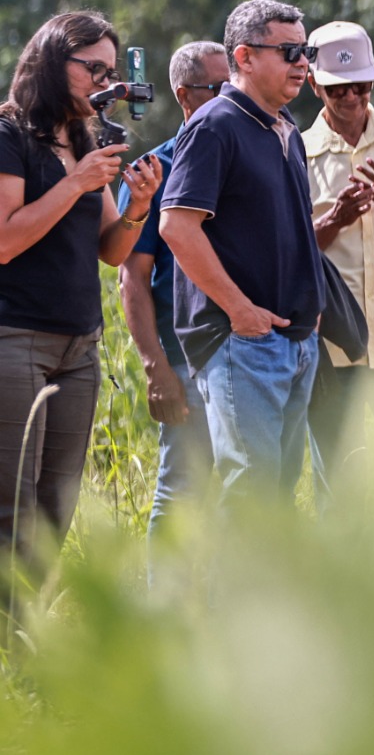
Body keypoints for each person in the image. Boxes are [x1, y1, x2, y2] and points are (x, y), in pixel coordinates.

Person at [0, 12, 161, 570]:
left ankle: (28, 639)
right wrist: (76, 182)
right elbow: (5, 241)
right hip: (16, 338)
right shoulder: (10, 133)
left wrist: (138, 207)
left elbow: (111, 250)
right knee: (11, 512)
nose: (106, 83)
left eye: (111, 71)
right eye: (92, 68)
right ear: (50, 62)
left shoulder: (83, 139)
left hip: (79, 348)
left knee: (55, 511)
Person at [158, 0, 329, 504]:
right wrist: (240, 311)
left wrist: (310, 311)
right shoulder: (215, 125)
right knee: (252, 499)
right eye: (291, 51)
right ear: (246, 57)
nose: (303, 62)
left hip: (294, 341)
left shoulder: (286, 127)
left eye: (307, 50)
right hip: (245, 344)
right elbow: (176, 227)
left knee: (273, 495)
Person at [118, 40, 226, 534]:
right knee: (182, 491)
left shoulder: (248, 152)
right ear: (185, 96)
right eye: (218, 88)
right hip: (185, 360)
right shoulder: (151, 173)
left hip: (249, 353)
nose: (230, 98)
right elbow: (132, 279)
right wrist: (155, 368)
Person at [303, 20, 374, 479]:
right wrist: (334, 220)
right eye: (337, 87)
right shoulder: (295, 153)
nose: (350, 96)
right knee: (339, 481)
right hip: (333, 348)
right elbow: (290, 249)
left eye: (359, 85)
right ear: (313, 85)